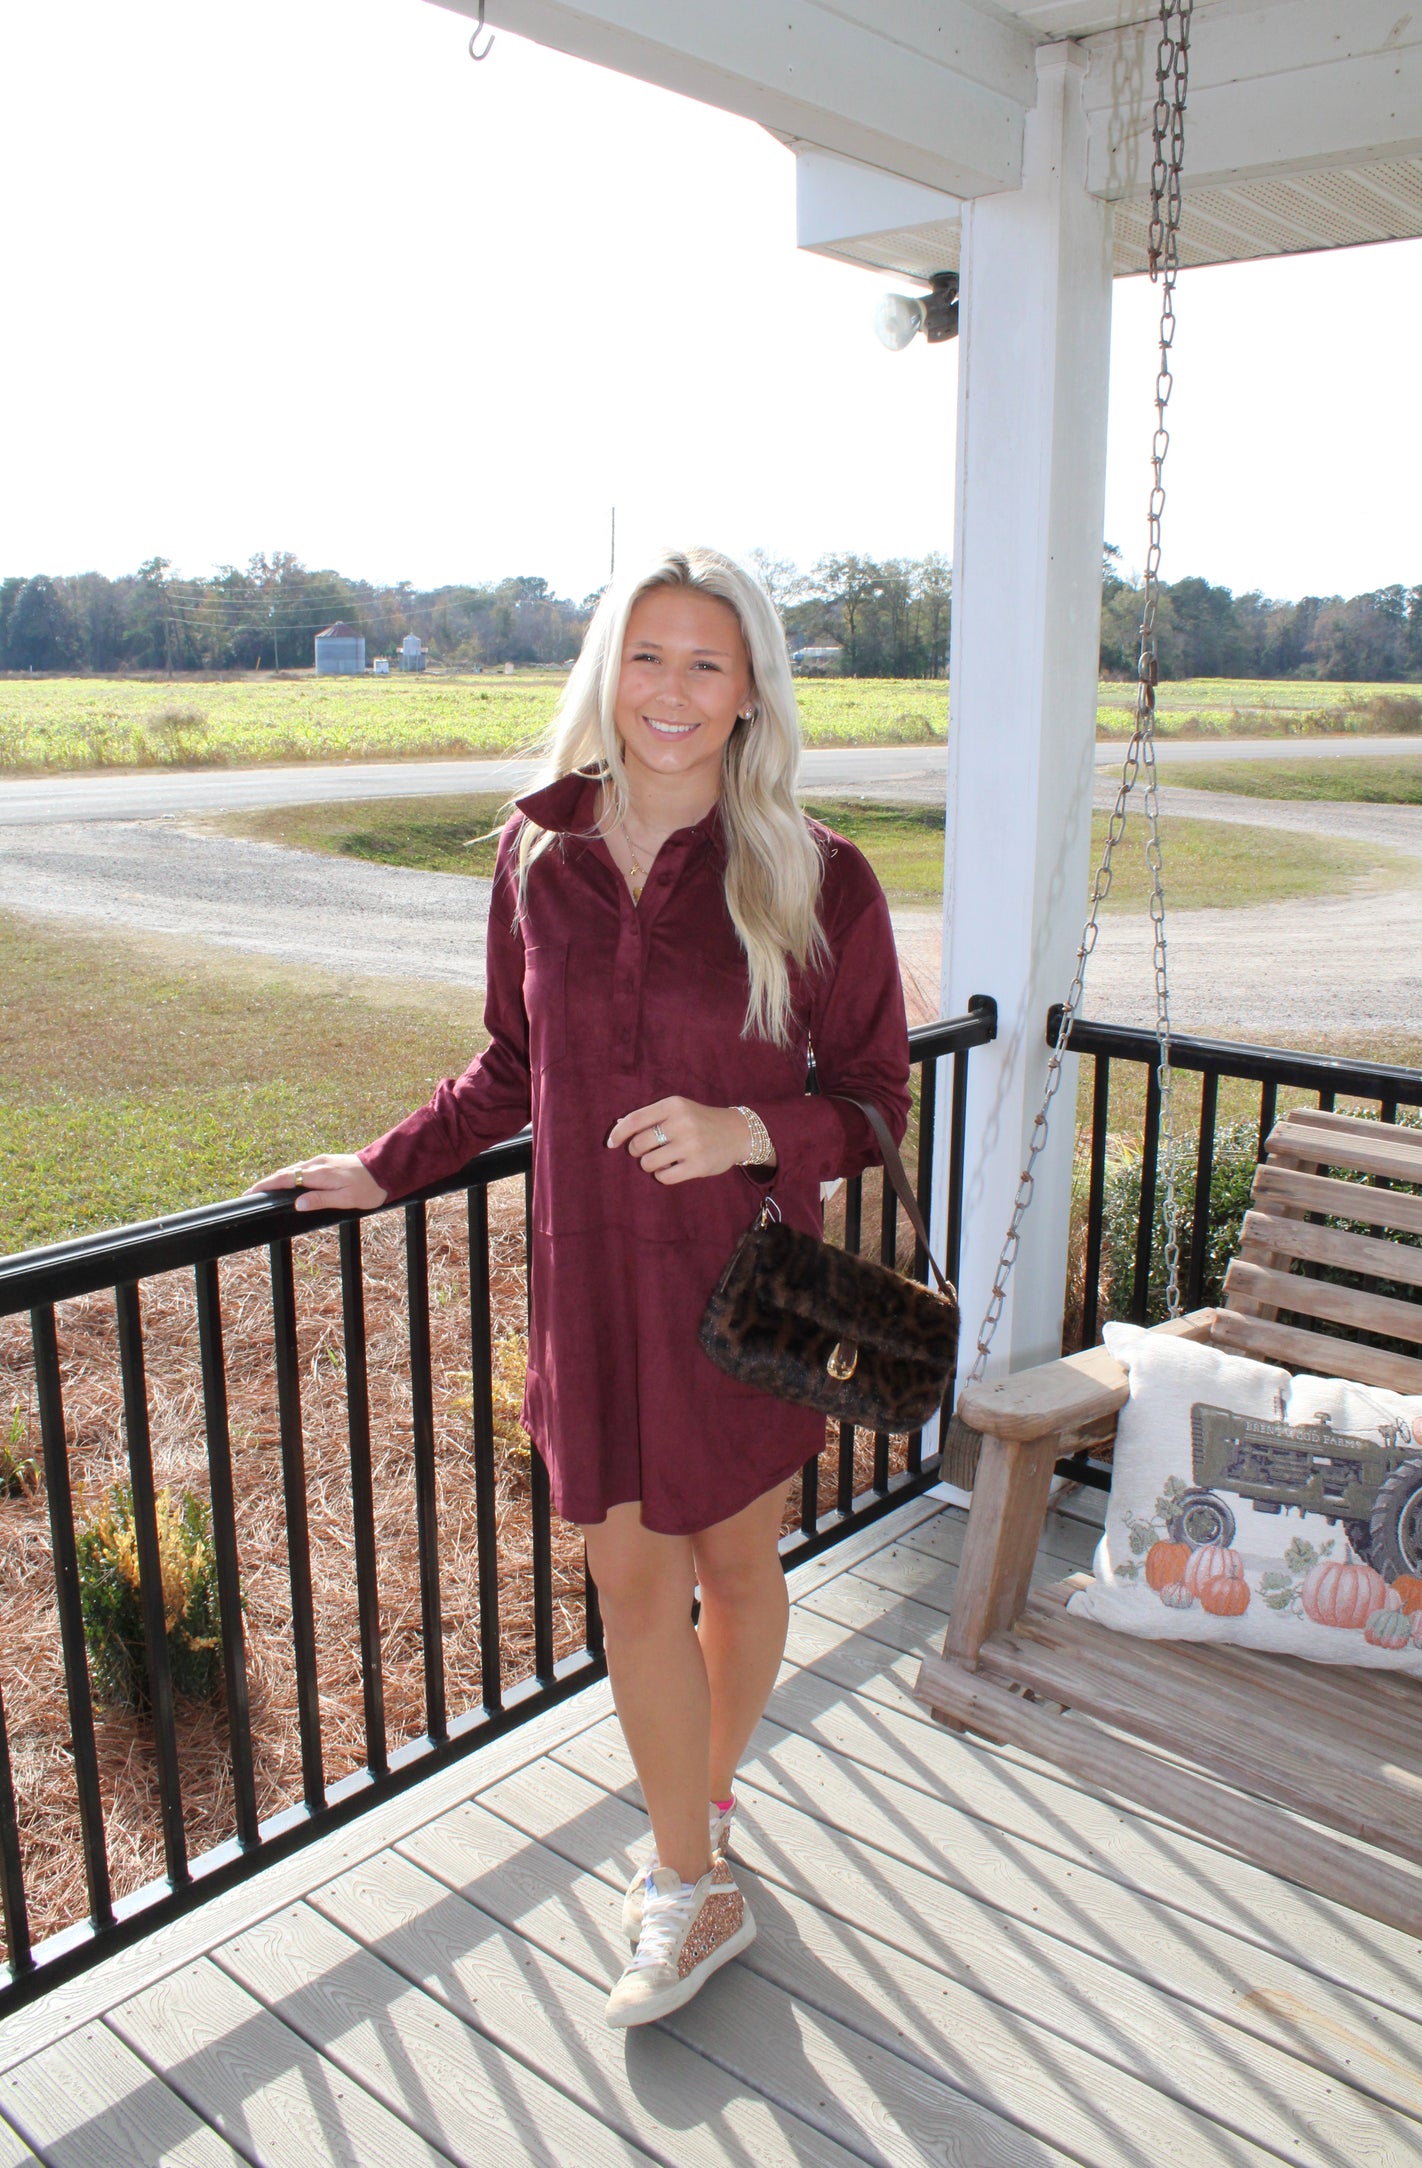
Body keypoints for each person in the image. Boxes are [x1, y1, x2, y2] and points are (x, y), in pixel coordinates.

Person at [252, 545, 911, 2027]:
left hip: (751, 1291)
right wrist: (384, 1163)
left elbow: (874, 1095)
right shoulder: (534, 854)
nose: (670, 693)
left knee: (739, 1570)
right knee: (631, 1580)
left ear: (749, 698)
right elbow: (510, 1062)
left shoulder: (814, 872)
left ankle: (694, 1832)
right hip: (590, 1293)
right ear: (604, 673)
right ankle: (693, 1876)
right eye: (646, 656)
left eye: (706, 666)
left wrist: (749, 1127)